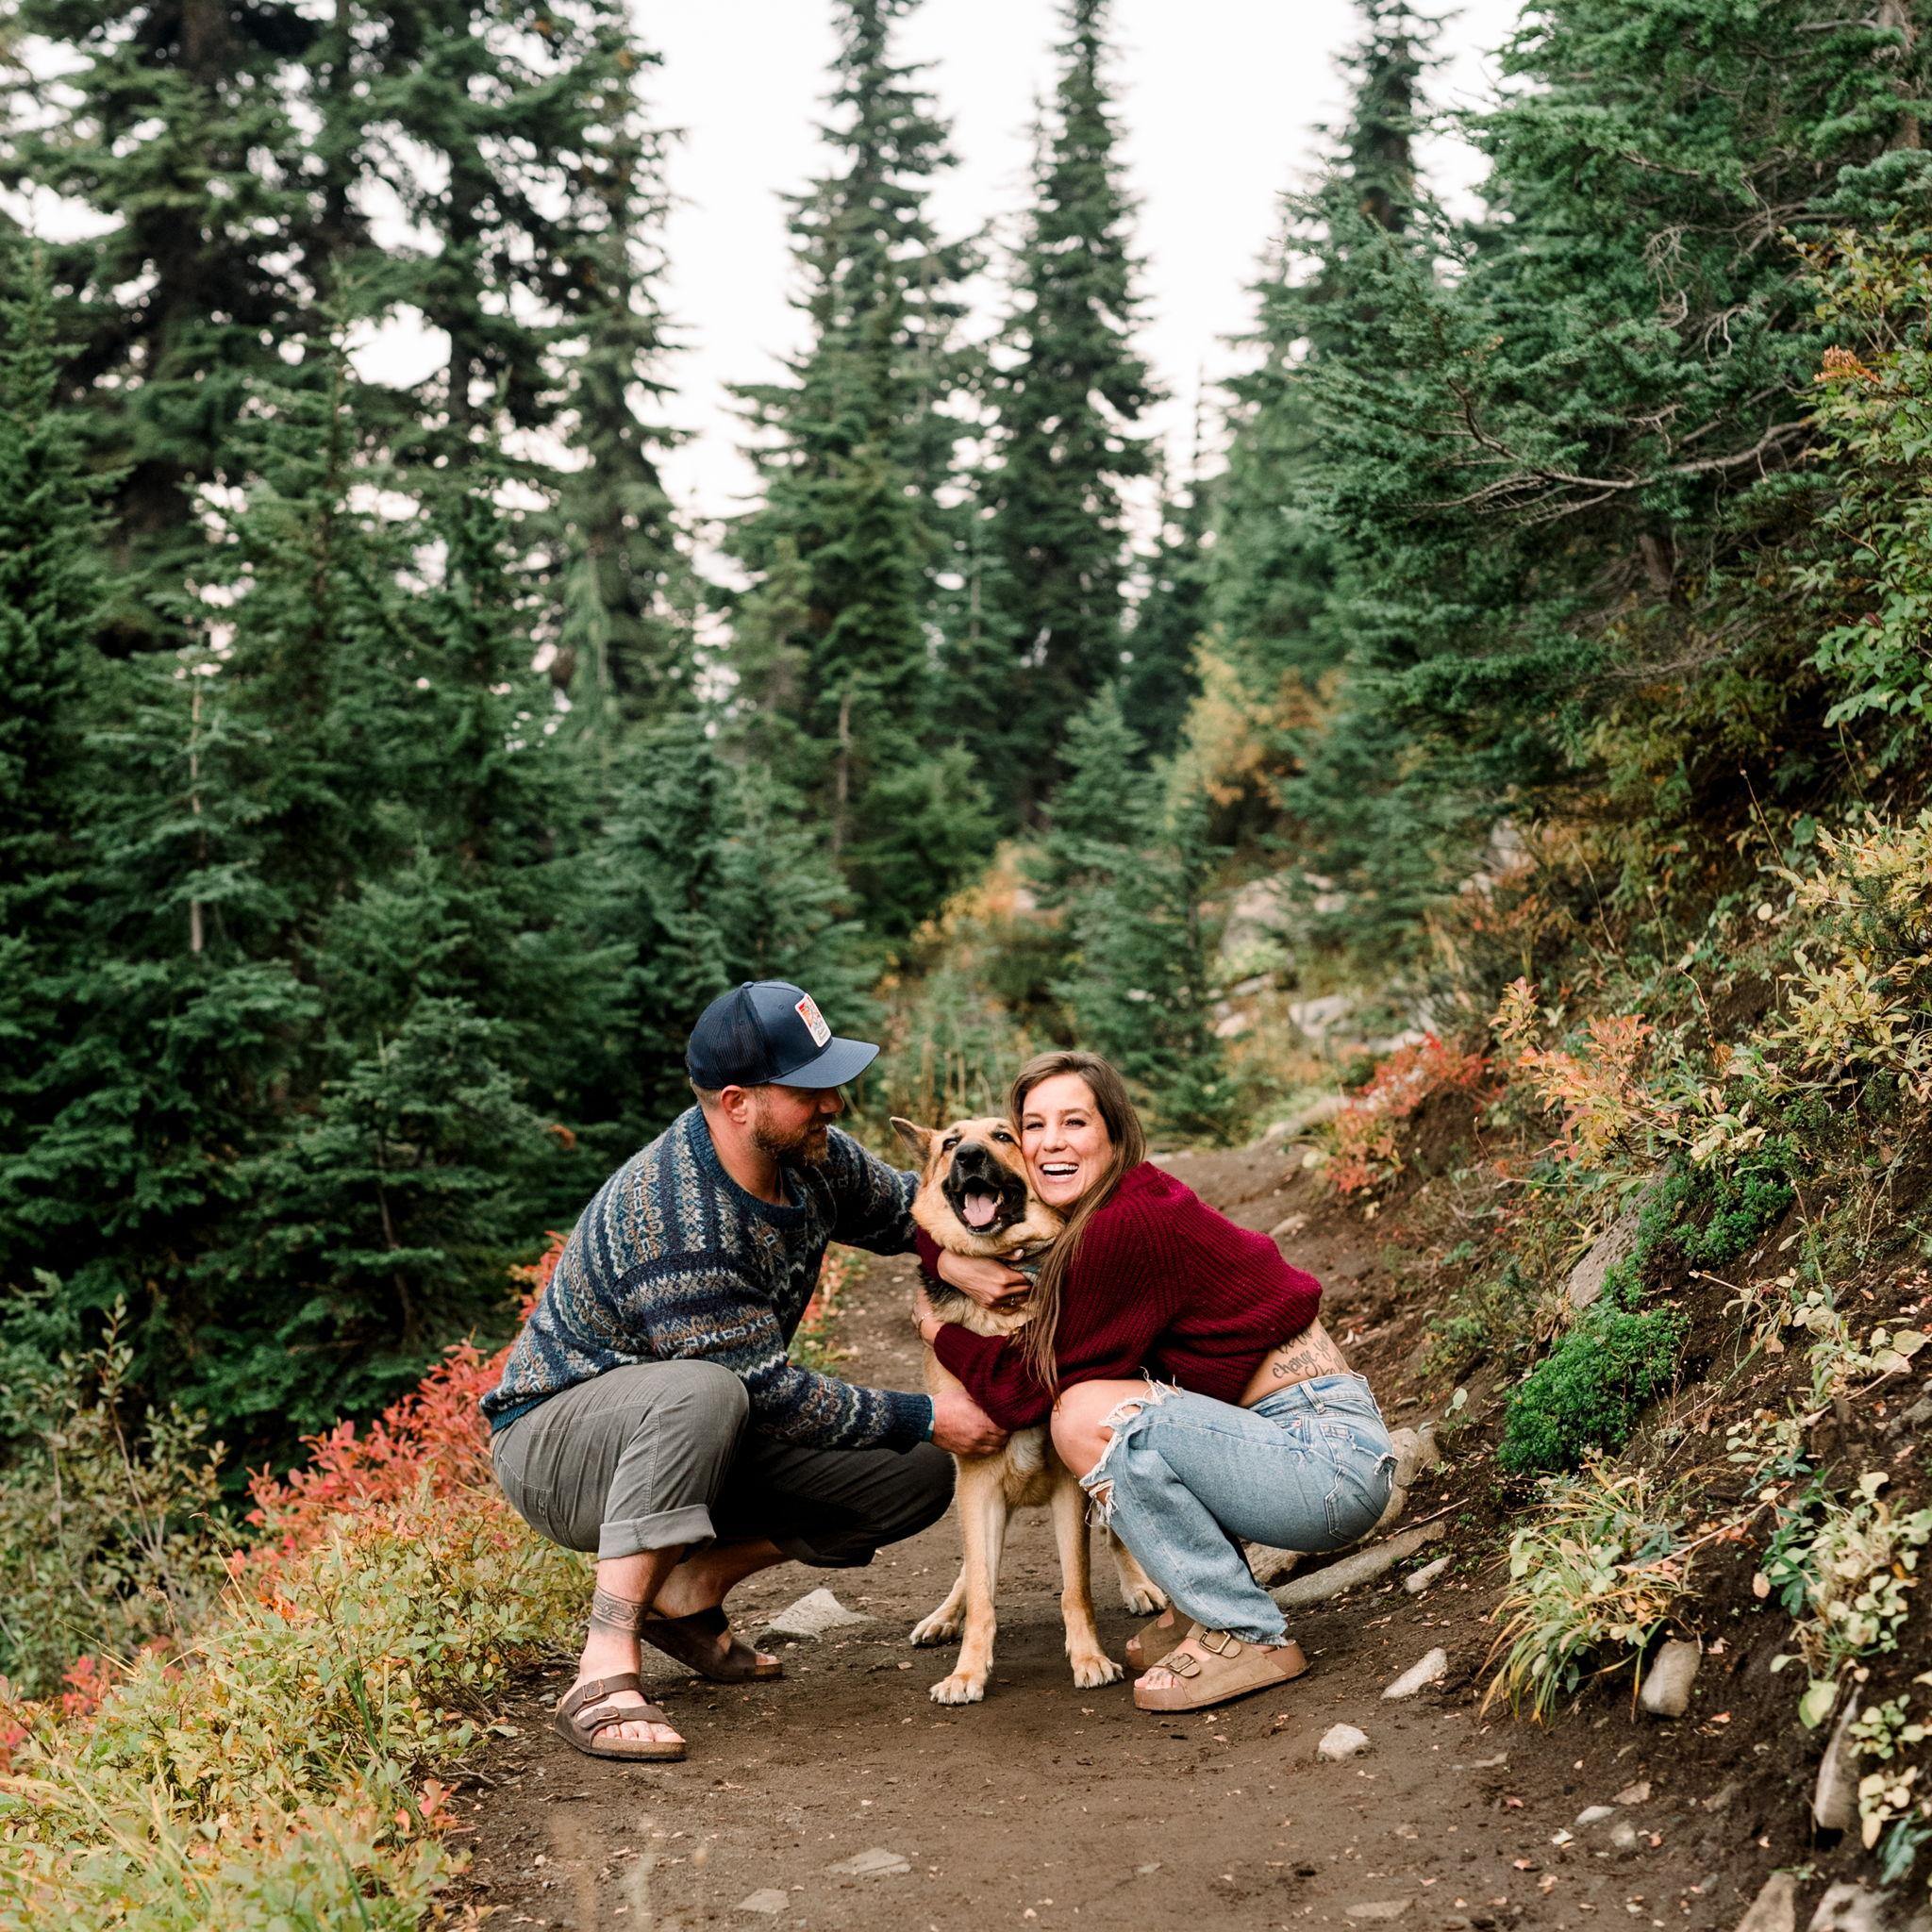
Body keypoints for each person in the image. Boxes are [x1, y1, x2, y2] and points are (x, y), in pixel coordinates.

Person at [484, 979, 1007, 1762]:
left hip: (701, 1427)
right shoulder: (674, 1211)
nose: (834, 1103)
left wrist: (960, 1257)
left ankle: (688, 1593)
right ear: (737, 1103)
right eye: (809, 1090)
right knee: (706, 1387)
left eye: (833, 1080)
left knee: (919, 1471)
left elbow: (910, 1204)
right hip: (559, 1451)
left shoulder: (810, 1158)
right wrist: (928, 1412)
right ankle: (602, 1670)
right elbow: (765, 1391)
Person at [912, 1049, 1395, 1714]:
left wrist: (936, 1329)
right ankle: (1200, 1605)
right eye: (1034, 1125)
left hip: (1324, 1467)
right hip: (1288, 1440)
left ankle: (1246, 1632)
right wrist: (945, 1259)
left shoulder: (1124, 1229)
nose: (1052, 1141)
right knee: (1109, 1407)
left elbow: (1021, 1393)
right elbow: (945, 1210)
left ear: (1115, 1133)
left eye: (1075, 1122)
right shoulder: (1109, 1205)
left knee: (1084, 1415)